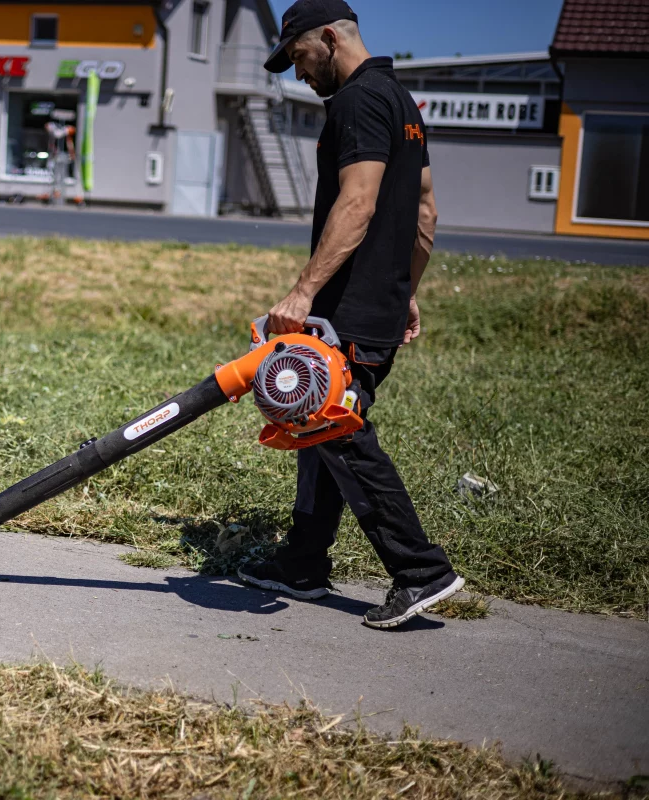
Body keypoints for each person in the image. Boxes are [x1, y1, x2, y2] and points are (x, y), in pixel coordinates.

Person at [236, 0, 464, 629]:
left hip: (349, 310)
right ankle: (304, 563)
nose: (297, 74)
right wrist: (407, 290)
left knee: (340, 429)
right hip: (380, 303)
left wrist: (303, 293)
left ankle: (420, 570)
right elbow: (425, 212)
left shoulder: (359, 102)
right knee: (318, 426)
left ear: (330, 39)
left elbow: (359, 203)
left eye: (300, 58)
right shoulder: (402, 101)